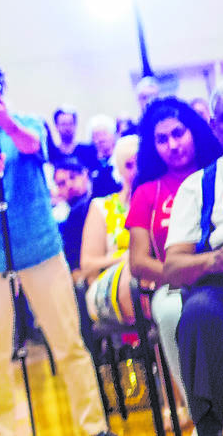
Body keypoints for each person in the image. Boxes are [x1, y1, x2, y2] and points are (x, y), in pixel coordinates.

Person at [0, 57, 112, 436]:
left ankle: (93, 427)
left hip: (40, 248)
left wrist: (3, 122)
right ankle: (4, 431)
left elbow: (35, 147)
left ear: (2, 85)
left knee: (69, 343)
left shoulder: (28, 123)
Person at [162, 78, 223, 436]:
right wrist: (211, 261)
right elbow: (171, 268)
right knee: (198, 314)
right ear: (214, 126)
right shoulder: (198, 186)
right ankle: (211, 428)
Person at [126, 96, 222, 421]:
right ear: (153, 147)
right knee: (168, 312)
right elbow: (138, 262)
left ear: (193, 131)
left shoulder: (221, 173)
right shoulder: (146, 192)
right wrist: (184, 273)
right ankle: (206, 416)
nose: (172, 144)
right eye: (162, 139)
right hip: (173, 285)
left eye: (178, 133)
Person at [79, 135, 138, 323]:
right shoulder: (101, 207)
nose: (136, 171)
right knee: (133, 279)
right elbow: (87, 265)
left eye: (140, 164)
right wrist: (125, 259)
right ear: (120, 169)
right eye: (129, 165)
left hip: (147, 282)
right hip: (110, 285)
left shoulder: (158, 200)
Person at [52, 158, 94, 280]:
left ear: (85, 175)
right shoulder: (65, 219)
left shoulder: (102, 199)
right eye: (61, 183)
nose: (69, 185)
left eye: (73, 177)